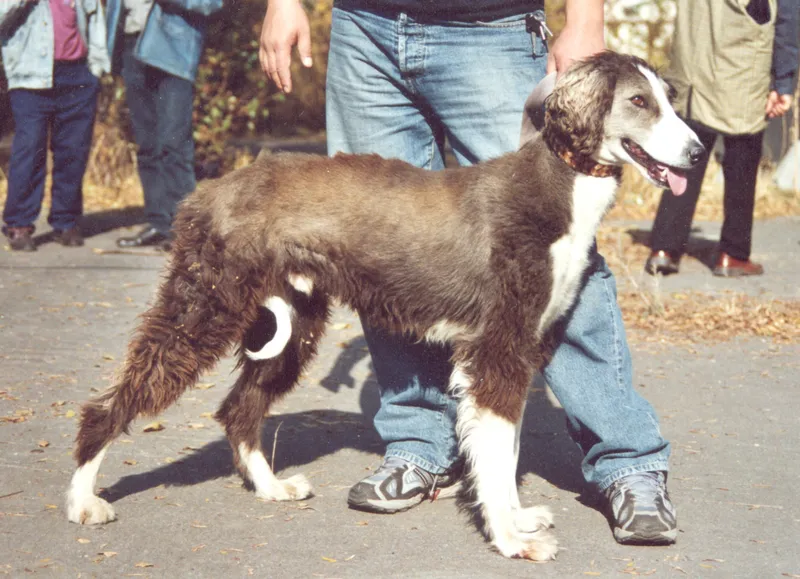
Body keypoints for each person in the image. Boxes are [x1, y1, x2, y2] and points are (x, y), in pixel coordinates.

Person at [261, 0, 677, 545]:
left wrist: (585, 19)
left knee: (553, 242)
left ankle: (627, 460)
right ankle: (419, 444)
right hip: (365, 28)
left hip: (491, 29)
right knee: (390, 249)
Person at [645, 0, 799, 277]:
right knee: (742, 158)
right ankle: (733, 254)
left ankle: (664, 250)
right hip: (740, 66)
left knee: (684, 156)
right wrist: (784, 82)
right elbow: (786, 17)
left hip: (691, 66)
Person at [105, 0, 223, 250]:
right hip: (130, 46)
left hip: (173, 51)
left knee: (174, 143)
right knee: (147, 145)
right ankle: (159, 225)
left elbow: (211, 4)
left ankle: (187, 232)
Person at [1, 0, 110, 251]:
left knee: (73, 150)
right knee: (30, 148)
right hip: (31, 75)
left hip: (78, 75)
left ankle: (66, 220)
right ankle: (19, 223)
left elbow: (95, 22)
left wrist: (96, 67)